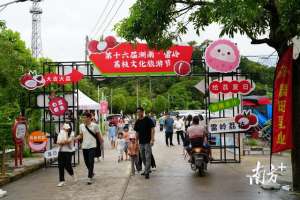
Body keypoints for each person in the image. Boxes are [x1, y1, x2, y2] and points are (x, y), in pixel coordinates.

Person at [76, 112, 103, 185]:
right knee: (86, 162)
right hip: (84, 146)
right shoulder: (81, 126)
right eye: (83, 117)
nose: (83, 119)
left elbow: (99, 136)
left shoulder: (95, 126)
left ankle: (89, 177)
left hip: (93, 146)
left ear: (89, 117)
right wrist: (75, 138)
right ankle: (92, 172)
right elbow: (81, 136)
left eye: (84, 117)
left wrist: (101, 145)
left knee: (91, 161)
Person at [134, 107, 155, 179]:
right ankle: (147, 169)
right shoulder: (137, 122)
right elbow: (137, 132)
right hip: (141, 142)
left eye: (140, 112)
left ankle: (146, 172)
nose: (138, 113)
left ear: (143, 112)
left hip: (148, 141)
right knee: (142, 157)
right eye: (137, 112)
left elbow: (152, 129)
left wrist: (152, 139)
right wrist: (136, 141)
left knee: (148, 156)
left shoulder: (148, 120)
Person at [56, 123, 76, 187]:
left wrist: (63, 141)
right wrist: (62, 142)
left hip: (68, 151)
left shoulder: (72, 133)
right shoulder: (60, 133)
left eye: (67, 128)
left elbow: (68, 141)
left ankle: (72, 174)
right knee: (61, 166)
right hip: (61, 151)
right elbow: (58, 142)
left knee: (68, 165)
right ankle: (62, 181)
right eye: (64, 128)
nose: (65, 129)